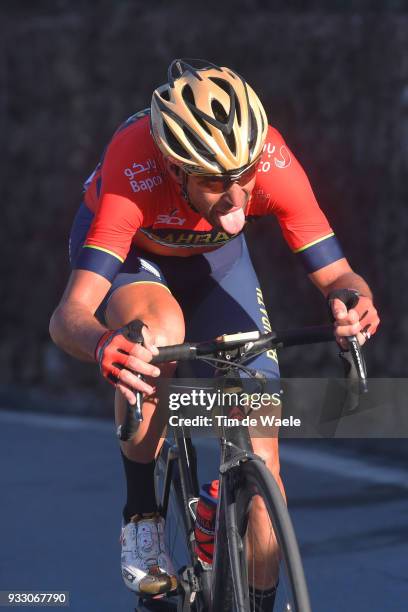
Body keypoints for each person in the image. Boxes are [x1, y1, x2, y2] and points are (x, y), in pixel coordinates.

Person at [49, 58, 380, 608]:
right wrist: (107, 344)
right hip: (134, 259)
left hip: (215, 262)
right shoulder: (134, 169)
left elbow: (338, 273)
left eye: (244, 177)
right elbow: (68, 316)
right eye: (214, 182)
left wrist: (354, 301)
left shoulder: (269, 161)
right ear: (176, 168)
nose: (235, 200)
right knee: (158, 333)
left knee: (265, 458)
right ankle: (142, 516)